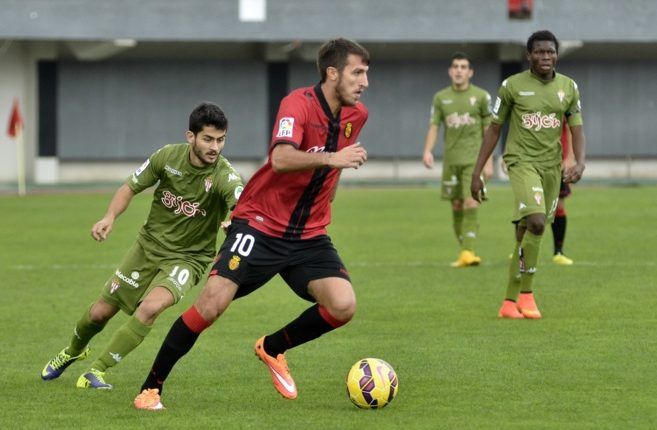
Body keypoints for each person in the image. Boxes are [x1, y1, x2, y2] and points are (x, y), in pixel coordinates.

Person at [133, 37, 370, 410]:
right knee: (211, 304)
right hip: (259, 223)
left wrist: (328, 198)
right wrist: (332, 159)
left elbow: (333, 172)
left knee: (343, 305)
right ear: (332, 73)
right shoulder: (298, 104)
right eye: (358, 72)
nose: (364, 81)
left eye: (366, 73)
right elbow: (281, 158)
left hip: (307, 235)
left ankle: (272, 348)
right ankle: (151, 388)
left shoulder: (357, 116)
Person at [40, 103, 244, 388]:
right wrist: (109, 217)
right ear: (191, 136)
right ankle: (73, 351)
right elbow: (130, 187)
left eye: (221, 139)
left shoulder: (225, 175)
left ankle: (97, 370)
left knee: (150, 308)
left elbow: (241, 203)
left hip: (188, 259)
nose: (215, 147)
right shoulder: (167, 157)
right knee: (100, 312)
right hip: (147, 247)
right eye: (208, 139)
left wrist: (234, 220)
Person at [471, 30, 586, 319]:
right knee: (536, 222)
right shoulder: (512, 86)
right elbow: (494, 128)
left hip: (552, 167)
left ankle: (509, 303)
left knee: (526, 232)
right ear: (529, 55)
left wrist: (579, 162)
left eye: (550, 52)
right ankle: (527, 294)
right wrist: (477, 171)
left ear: (556, 54)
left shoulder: (569, 87)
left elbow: (577, 127)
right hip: (521, 162)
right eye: (539, 52)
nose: (545, 57)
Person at [422, 52, 493, 267]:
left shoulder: (481, 96)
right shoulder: (440, 97)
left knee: (471, 200)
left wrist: (489, 160)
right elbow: (434, 126)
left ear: (470, 72)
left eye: (463, 66)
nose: (459, 70)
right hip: (451, 160)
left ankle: (468, 251)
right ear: (450, 71)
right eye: (456, 66)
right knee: (456, 206)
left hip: (474, 160)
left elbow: (489, 129)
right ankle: (465, 249)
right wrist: (427, 150)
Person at [552, 122, 576, 265]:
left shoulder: (564, 99)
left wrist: (569, 157)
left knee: (558, 206)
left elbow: (572, 128)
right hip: (533, 161)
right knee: (526, 206)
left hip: (558, 163)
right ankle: (521, 251)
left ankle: (558, 251)